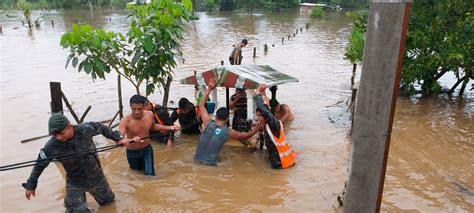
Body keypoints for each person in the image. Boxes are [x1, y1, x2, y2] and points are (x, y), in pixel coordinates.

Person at [22, 113, 128, 212]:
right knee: (74, 210)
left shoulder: (85, 129)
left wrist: (117, 138)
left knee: (109, 203)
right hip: (74, 181)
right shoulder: (51, 145)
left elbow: (102, 128)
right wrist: (31, 184)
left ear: (70, 126)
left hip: (96, 176)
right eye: (55, 135)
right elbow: (40, 164)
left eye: (61, 133)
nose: (59, 137)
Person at [194, 78, 261, 166]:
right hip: (211, 165)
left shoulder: (207, 123)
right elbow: (247, 135)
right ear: (227, 119)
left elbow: (201, 105)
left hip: (196, 161)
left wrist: (209, 88)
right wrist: (258, 127)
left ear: (216, 116)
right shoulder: (228, 132)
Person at [119, 95, 180, 176]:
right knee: (136, 175)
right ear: (130, 107)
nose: (136, 112)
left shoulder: (149, 114)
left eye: (139, 109)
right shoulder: (125, 121)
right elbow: (119, 140)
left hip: (147, 150)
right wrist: (131, 140)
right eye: (134, 109)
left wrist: (170, 127)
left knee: (150, 175)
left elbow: (153, 127)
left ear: (144, 107)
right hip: (132, 153)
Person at [254, 84, 296, 169]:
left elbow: (263, 110)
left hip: (282, 165)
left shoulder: (274, 123)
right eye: (257, 116)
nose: (259, 118)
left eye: (261, 116)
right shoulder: (268, 124)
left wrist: (258, 92)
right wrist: (263, 93)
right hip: (283, 162)